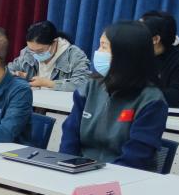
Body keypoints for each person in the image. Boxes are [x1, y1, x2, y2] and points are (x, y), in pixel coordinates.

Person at [60, 21, 168, 170]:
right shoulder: (90, 86)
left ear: (125, 54)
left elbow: (136, 156)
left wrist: (98, 177)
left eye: (104, 47)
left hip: (124, 176)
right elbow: (70, 136)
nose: (98, 52)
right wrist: (67, 166)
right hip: (81, 169)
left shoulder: (151, 100)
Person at [6, 20, 92, 92]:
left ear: (54, 42)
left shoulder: (75, 55)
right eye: (31, 50)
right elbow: (8, 71)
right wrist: (16, 75)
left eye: (40, 51)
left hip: (58, 106)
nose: (35, 54)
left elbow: (82, 85)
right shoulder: (27, 52)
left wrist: (48, 83)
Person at [139, 10, 179, 107]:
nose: (134, 34)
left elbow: (177, 98)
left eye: (140, 32)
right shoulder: (136, 53)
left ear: (155, 39)